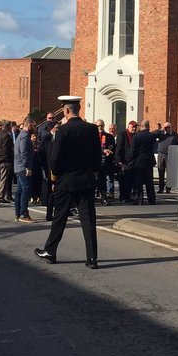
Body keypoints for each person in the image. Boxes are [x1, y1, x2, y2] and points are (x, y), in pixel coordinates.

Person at [35, 96, 103, 268]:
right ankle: (92, 257)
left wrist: (55, 176)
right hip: (86, 179)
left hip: (66, 181)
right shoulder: (92, 129)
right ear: (79, 109)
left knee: (60, 217)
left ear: (65, 110)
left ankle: (50, 251)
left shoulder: (62, 131)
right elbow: (97, 157)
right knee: (88, 219)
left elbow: (55, 159)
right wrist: (92, 171)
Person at [129, 121, 158, 205]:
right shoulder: (152, 136)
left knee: (139, 181)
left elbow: (133, 149)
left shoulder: (137, 136)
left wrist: (130, 159)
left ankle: (139, 199)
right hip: (149, 161)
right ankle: (151, 199)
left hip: (139, 161)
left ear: (141, 126)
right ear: (148, 126)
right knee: (149, 182)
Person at [14, 118, 37, 223]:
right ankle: (23, 213)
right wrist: (27, 167)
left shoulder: (22, 135)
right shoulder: (24, 136)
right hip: (23, 167)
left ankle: (18, 213)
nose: (35, 128)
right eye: (34, 125)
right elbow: (23, 152)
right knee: (26, 190)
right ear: (29, 125)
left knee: (20, 190)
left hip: (19, 167)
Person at [0, 120, 13, 203]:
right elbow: (6, 150)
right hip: (4, 160)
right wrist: (7, 158)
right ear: (7, 127)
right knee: (3, 179)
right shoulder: (6, 136)